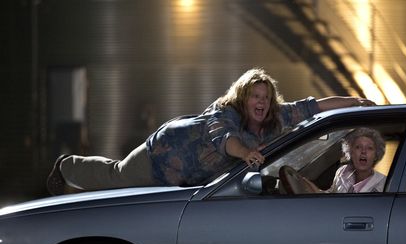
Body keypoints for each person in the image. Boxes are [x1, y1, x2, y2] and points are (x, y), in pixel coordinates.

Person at [47, 68, 376, 195]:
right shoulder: (225, 113)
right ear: (244, 98)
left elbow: (314, 106)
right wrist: (246, 153)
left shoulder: (276, 116)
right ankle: (67, 165)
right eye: (255, 97)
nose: (260, 102)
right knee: (115, 177)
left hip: (189, 179)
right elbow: (225, 140)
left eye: (266, 97)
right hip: (163, 155)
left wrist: (354, 101)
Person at [280, 127, 386, 194]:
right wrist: (312, 189)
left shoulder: (384, 184)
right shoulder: (342, 172)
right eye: (358, 147)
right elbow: (331, 196)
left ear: (376, 155)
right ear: (350, 152)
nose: (363, 152)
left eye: (369, 148)